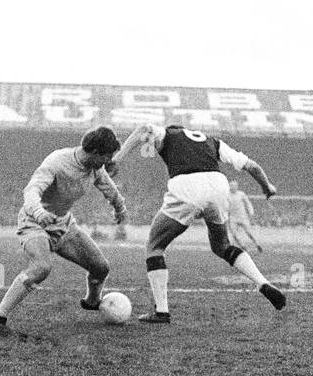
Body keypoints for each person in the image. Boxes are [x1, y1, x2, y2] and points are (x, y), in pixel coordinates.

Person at [109, 124, 283, 323]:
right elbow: (251, 166)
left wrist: (117, 160)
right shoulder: (212, 142)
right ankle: (262, 282)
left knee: (154, 246)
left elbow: (144, 129)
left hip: (187, 186)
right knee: (223, 246)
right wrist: (267, 186)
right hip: (218, 186)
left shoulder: (169, 133)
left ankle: (162, 311)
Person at [0, 126, 127, 336]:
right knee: (41, 267)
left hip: (64, 225)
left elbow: (108, 187)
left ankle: (92, 301)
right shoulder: (57, 161)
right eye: (106, 156)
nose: (109, 161)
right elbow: (32, 189)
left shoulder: (95, 169)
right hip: (34, 222)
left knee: (101, 267)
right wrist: (39, 212)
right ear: (95, 152)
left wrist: (120, 208)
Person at [226, 179, 262, 252]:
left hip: (243, 216)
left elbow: (248, 203)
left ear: (237, 186)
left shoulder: (241, 194)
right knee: (234, 234)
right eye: (232, 185)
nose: (233, 187)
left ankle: (257, 243)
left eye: (235, 185)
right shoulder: (227, 195)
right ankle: (244, 247)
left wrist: (251, 212)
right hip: (233, 217)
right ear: (229, 186)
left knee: (249, 232)